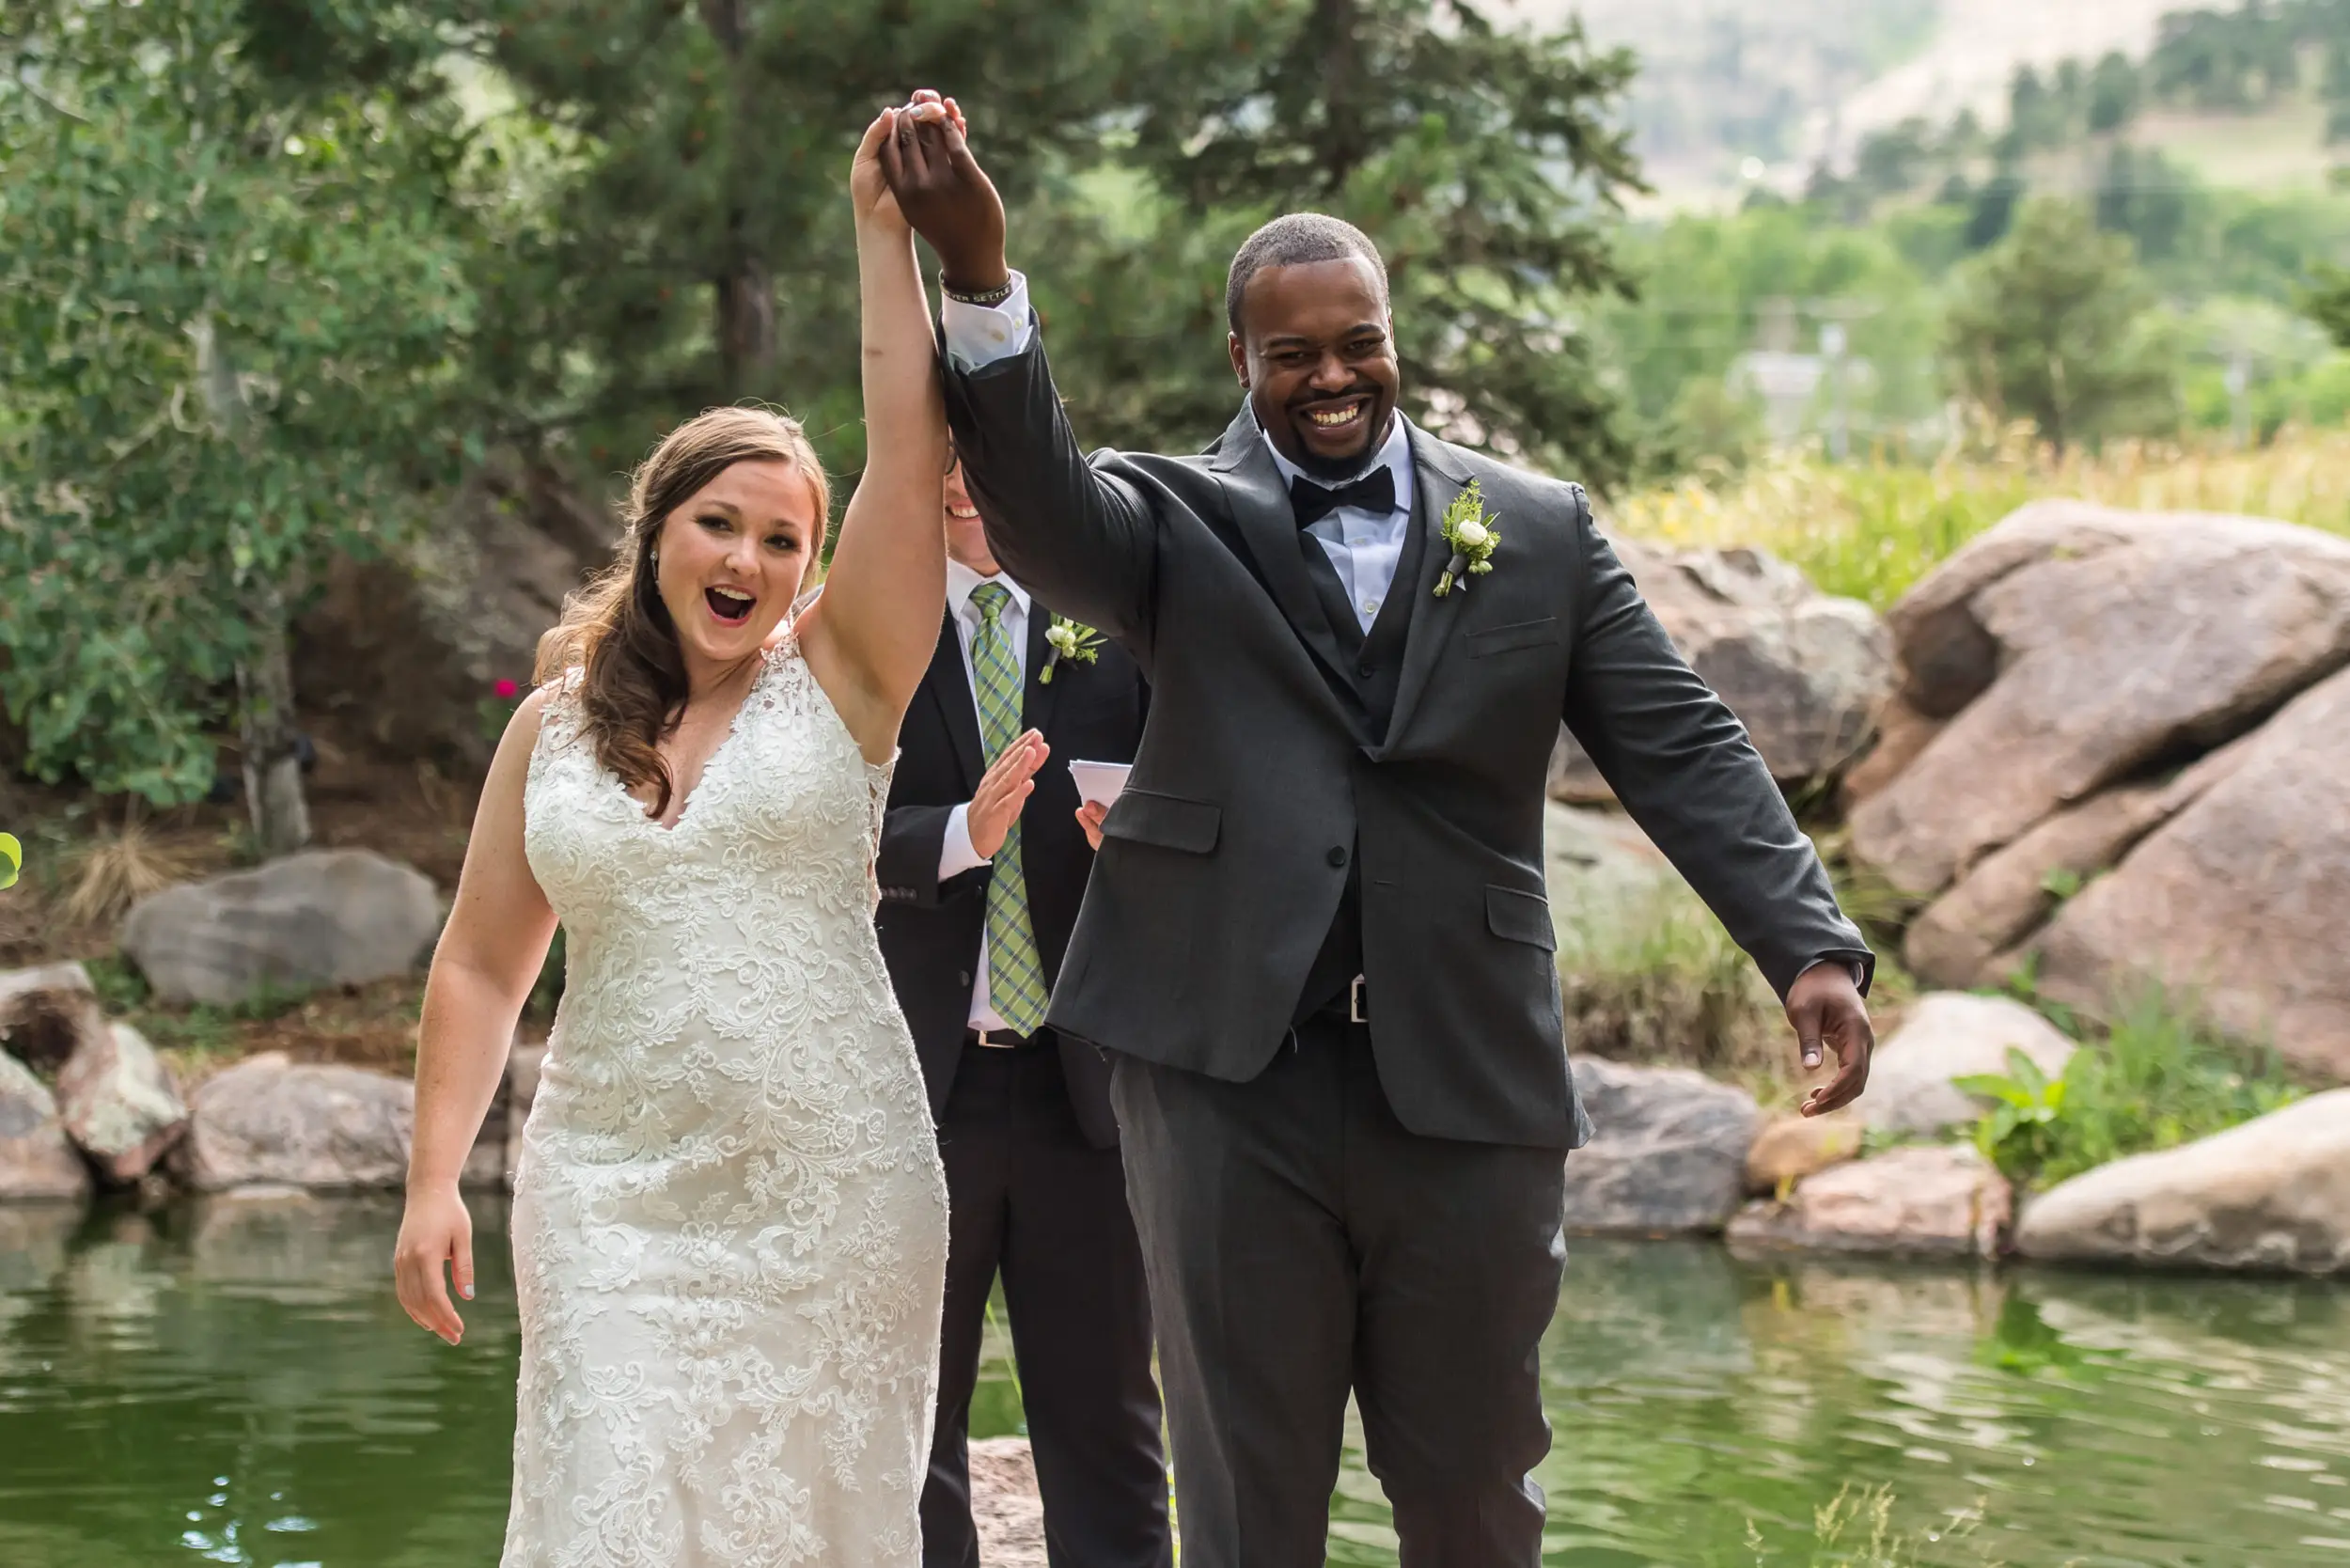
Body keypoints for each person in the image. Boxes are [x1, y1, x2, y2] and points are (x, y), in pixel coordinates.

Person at [880, 96, 1879, 1568]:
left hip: (1464, 1080)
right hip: (1224, 1080)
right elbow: (1031, 504)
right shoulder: (1171, 523)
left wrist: (1806, 947)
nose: (1333, 377)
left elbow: (1680, 738)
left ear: (1393, 337)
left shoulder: (1536, 528)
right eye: (1293, 354)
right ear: (1243, 362)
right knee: (1244, 1508)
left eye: (1359, 343)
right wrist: (978, 281)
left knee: (1478, 1496)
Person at [394, 102, 956, 1566]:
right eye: (721, 523)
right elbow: (477, 969)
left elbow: (908, 437)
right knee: (611, 1512)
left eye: (784, 540)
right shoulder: (553, 726)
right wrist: (433, 1179)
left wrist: (881, 233)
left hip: (831, 1190)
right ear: (658, 532)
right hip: (608, 1192)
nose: (751, 560)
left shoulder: (849, 677)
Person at [873, 453, 1168, 1568]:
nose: (966, 486)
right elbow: (820, 832)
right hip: (915, 1090)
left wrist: (1138, 849)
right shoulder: (871, 627)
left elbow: (1194, 806)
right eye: (943, 462)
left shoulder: (1118, 624)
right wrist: (961, 836)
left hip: (1084, 1089)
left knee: (1106, 1416)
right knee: (911, 1418)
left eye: (990, 461)